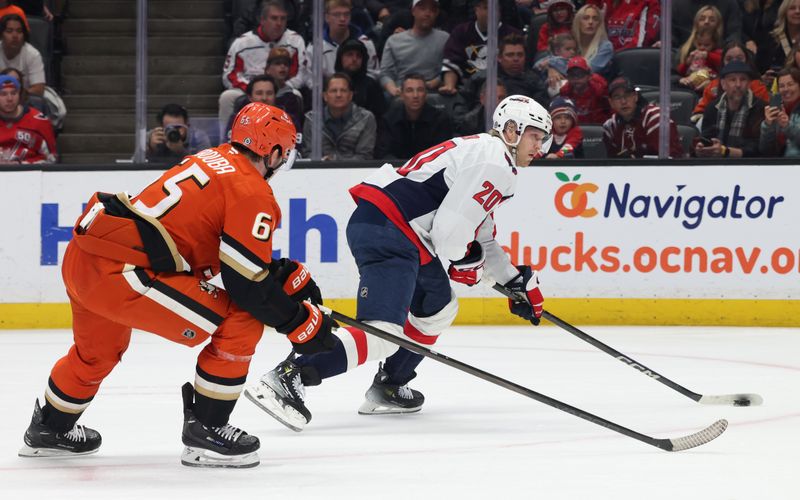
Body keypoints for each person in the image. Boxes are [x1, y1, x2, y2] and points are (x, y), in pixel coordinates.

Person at [18, 103, 337, 468]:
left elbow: (211, 245)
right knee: (242, 319)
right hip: (123, 274)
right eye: (286, 152)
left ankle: (50, 428)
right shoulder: (253, 191)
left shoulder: (212, 158)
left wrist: (279, 274)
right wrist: (299, 322)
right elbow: (245, 286)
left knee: (97, 353)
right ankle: (208, 430)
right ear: (275, 151)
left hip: (85, 258)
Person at [245, 94, 550, 430]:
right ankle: (291, 374)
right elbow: (451, 237)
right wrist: (468, 261)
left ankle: (391, 383)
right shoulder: (495, 161)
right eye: (536, 135)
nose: (541, 146)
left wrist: (514, 281)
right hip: (392, 230)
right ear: (511, 130)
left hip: (394, 228)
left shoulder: (486, 154)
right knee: (382, 334)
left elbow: (482, 235)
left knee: (438, 306)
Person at [219, 1, 307, 133]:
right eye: (274, 18)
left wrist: (277, 87)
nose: (279, 23)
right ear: (262, 20)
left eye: (283, 19)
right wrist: (253, 90)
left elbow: (300, 75)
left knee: (296, 95)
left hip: (281, 88)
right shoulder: (242, 43)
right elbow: (229, 76)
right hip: (249, 89)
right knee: (227, 97)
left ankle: (293, 138)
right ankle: (224, 142)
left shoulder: (295, 41)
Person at [439, 0, 522, 95]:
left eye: (495, 8)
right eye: (486, 8)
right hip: (467, 89)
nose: (491, 12)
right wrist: (450, 85)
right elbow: (452, 62)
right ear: (476, 10)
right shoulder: (461, 32)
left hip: (504, 89)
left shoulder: (513, 35)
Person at [695, 60, 766, 158]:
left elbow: (759, 149)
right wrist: (702, 149)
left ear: (749, 84)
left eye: (743, 79)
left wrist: (726, 151)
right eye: (733, 80)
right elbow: (707, 137)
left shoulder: (760, 107)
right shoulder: (712, 107)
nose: (738, 85)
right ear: (723, 84)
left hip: (748, 166)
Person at [379, 0, 449, 97]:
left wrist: (436, 81)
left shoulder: (445, 39)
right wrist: (393, 89)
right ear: (413, 11)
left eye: (432, 10)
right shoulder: (394, 41)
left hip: (434, 93)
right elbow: (385, 73)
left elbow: (450, 68)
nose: (428, 13)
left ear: (437, 13)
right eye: (423, 9)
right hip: (402, 94)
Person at [302, 0, 380, 87]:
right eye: (337, 15)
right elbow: (309, 78)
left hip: (359, 93)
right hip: (327, 94)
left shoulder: (366, 44)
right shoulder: (315, 48)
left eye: (346, 14)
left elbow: (373, 74)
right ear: (327, 17)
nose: (342, 19)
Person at [374, 73, 454, 159]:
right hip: (397, 169)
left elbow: (442, 155)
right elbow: (383, 153)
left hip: (429, 169)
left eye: (420, 90)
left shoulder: (440, 120)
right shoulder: (389, 120)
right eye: (409, 90)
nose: (415, 95)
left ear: (426, 94)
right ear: (402, 95)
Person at [301, 72, 377, 160]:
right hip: (320, 171)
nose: (338, 95)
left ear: (350, 95)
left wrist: (335, 162)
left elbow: (364, 156)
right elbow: (307, 153)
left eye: (343, 90)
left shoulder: (366, 118)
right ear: (325, 96)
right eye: (333, 91)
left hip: (355, 172)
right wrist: (322, 162)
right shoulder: (312, 119)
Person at [603, 76, 683, 157]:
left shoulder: (656, 118)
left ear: (635, 96)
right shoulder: (610, 126)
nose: (623, 101)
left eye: (627, 95)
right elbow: (612, 163)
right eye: (617, 97)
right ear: (611, 102)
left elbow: (667, 161)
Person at [691, 41, 769, 120]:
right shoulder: (712, 86)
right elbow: (699, 112)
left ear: (747, 61)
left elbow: (766, 115)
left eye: (739, 58)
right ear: (723, 62)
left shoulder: (758, 87)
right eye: (729, 59)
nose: (734, 62)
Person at [0, 73, 54, 163]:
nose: (9, 98)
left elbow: (52, 159)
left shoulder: (39, 120)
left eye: (14, 93)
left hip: (32, 174)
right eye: (3, 94)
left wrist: (23, 165)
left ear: (20, 95)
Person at [335, 38, 386, 120]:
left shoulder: (371, 85)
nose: (354, 59)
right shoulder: (331, 84)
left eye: (358, 56)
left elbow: (380, 118)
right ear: (340, 58)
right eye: (349, 54)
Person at [585, 0, 660, 51]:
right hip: (603, 58)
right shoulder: (605, 2)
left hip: (631, 59)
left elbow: (644, 41)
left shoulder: (648, 2)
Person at [146, 104, 211, 163]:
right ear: (161, 126)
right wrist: (151, 148)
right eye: (169, 128)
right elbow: (137, 162)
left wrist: (181, 151)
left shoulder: (198, 137)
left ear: (187, 125)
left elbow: (205, 164)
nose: (174, 131)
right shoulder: (154, 136)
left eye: (178, 127)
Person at [0, 14, 44, 96]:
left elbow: (39, 89)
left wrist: (15, 94)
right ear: (1, 35)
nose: (15, 36)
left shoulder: (33, 54)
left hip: (25, 98)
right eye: (9, 31)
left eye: (19, 31)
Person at [760, 67, 800, 156]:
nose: (786, 89)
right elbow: (765, 151)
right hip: (778, 166)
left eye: (790, 84)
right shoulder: (776, 110)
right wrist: (767, 126)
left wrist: (787, 126)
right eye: (782, 86)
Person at [224, 74, 279, 140]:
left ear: (275, 96)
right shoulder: (237, 120)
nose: (264, 98)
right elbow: (231, 145)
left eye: (269, 93)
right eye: (259, 93)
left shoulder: (286, 119)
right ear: (250, 97)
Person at [559, 55, 610, 124]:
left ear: (589, 75)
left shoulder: (600, 89)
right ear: (568, 77)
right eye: (572, 75)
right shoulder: (565, 92)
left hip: (599, 126)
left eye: (580, 74)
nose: (576, 78)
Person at [671, 0, 742, 49]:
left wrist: (729, 49)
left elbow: (734, 33)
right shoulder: (677, 3)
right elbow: (671, 33)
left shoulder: (729, 3)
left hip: (720, 51)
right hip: (683, 51)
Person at [571, 3, 613, 77]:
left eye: (595, 19)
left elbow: (585, 71)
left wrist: (554, 65)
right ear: (578, 21)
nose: (590, 22)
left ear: (599, 24)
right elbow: (546, 59)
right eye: (586, 18)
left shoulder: (605, 47)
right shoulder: (570, 43)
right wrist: (551, 68)